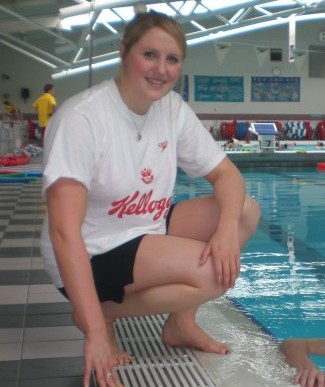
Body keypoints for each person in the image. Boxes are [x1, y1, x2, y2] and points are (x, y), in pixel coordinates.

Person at [39, 11, 260, 387]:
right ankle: (99, 312)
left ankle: (180, 323)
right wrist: (94, 331)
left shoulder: (170, 108)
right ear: (124, 54)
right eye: (149, 55)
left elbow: (227, 175)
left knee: (244, 212)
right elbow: (64, 234)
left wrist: (224, 231)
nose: (161, 69)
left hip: (143, 229)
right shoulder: (83, 118)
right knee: (213, 275)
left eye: (172, 59)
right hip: (92, 250)